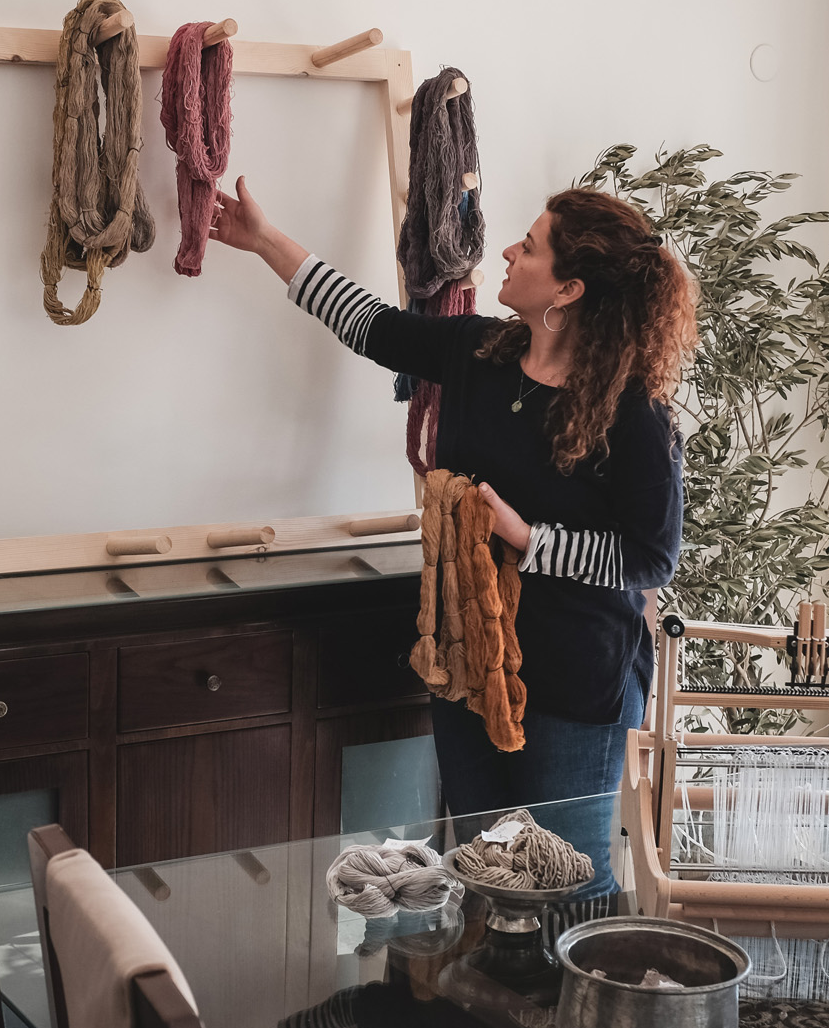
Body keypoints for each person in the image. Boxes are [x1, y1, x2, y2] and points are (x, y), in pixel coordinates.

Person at [210, 178, 696, 886]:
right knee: (485, 871)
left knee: (566, 880)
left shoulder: (634, 412)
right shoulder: (481, 352)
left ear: (568, 291)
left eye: (529, 248)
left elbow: (652, 558)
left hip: (574, 683)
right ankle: (501, 999)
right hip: (467, 663)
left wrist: (530, 539)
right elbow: (370, 325)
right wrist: (264, 240)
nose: (506, 251)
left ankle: (586, 999)